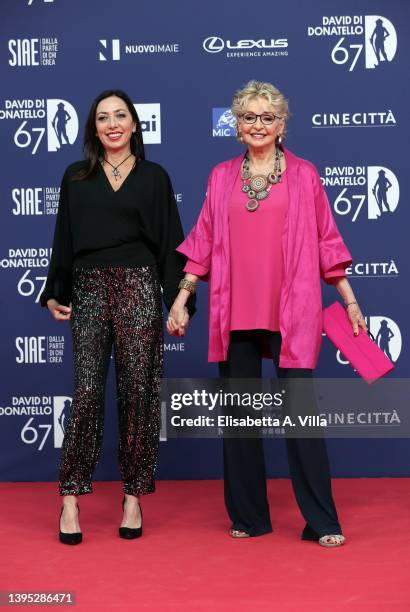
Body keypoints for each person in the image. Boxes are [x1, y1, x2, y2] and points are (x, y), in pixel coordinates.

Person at [169, 80, 366, 547]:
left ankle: (321, 521)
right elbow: (201, 242)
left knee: (301, 418)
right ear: (236, 126)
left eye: (267, 117)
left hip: (291, 311)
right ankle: (249, 516)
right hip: (234, 311)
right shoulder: (220, 177)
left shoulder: (304, 175)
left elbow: (326, 243)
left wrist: (350, 300)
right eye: (249, 117)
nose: (258, 125)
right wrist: (182, 296)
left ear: (281, 125)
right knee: (240, 420)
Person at [41, 89, 193, 544]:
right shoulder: (76, 176)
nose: (112, 124)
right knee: (86, 392)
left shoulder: (153, 176)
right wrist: (55, 290)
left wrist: (179, 300)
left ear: (133, 124)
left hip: (139, 287)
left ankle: (133, 495)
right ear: (94, 128)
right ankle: (70, 497)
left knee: (139, 393)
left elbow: (171, 243)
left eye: (120, 116)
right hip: (87, 287)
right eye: (103, 117)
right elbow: (63, 239)